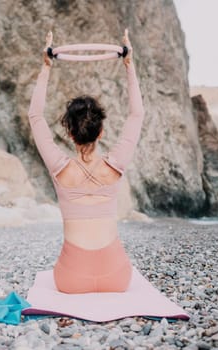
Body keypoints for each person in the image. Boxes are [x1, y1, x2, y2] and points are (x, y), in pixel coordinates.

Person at [27, 29, 144, 294]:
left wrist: (46, 67)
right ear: (101, 132)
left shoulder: (60, 168)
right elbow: (137, 115)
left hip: (71, 279)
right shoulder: (115, 166)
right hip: (116, 277)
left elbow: (35, 115)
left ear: (69, 134)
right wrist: (129, 64)